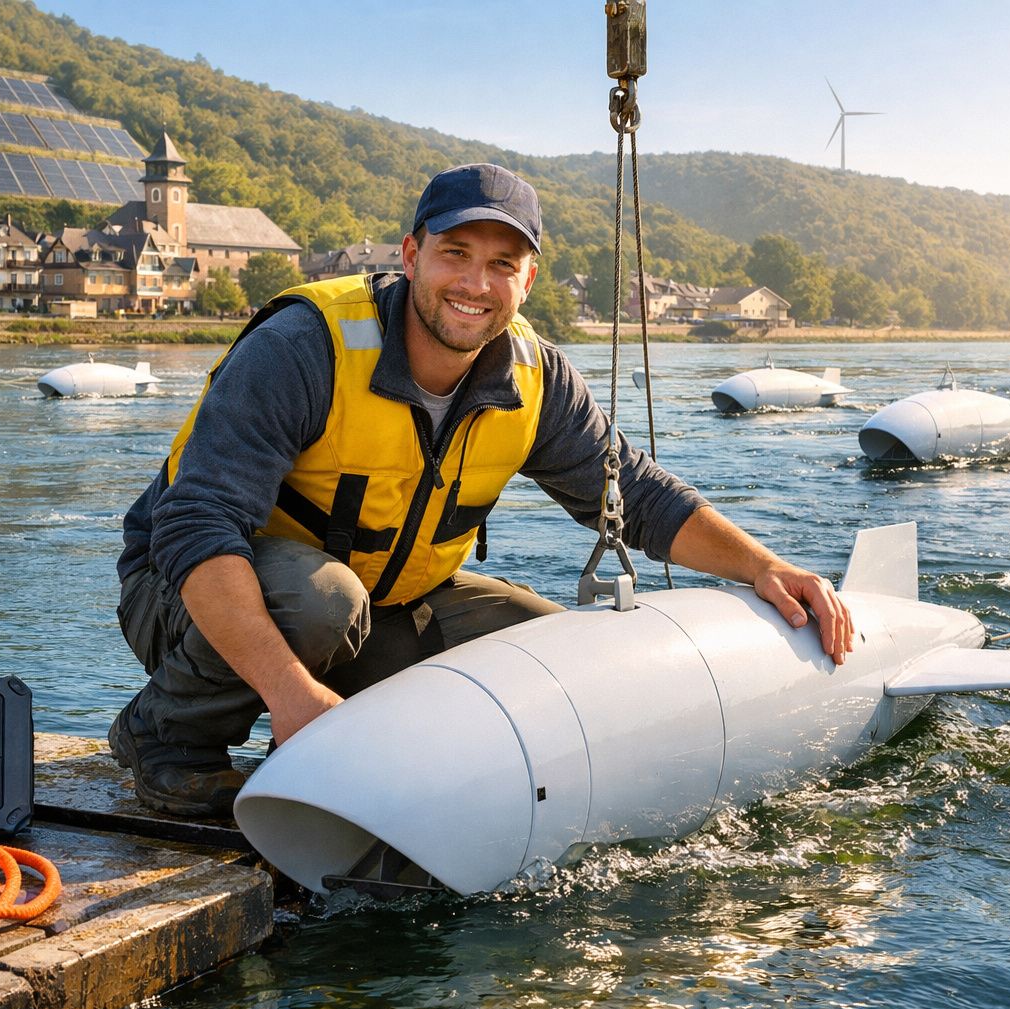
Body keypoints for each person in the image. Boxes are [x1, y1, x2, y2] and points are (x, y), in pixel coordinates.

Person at [112, 163, 854, 818]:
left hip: (375, 606)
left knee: (547, 652)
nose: (476, 283)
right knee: (321, 602)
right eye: (455, 255)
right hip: (187, 598)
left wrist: (767, 569)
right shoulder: (303, 348)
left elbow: (634, 495)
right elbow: (197, 528)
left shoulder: (536, 378)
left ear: (528, 281)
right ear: (411, 256)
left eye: (504, 264)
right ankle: (166, 734)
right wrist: (292, 699)